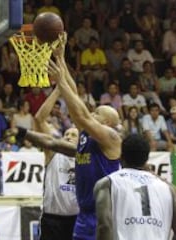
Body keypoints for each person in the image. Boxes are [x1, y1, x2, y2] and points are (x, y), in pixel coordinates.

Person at [49, 35, 121, 240]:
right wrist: (61, 58)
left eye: (97, 113)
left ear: (106, 123)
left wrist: (60, 80)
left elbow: (79, 113)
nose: (92, 114)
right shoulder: (87, 131)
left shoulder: (110, 136)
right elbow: (74, 95)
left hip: (104, 215)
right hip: (84, 213)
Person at [94, 134, 176, 240]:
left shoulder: (108, 183)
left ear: (121, 157)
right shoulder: (166, 188)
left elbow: (104, 226)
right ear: (147, 159)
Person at [23, 86, 80, 240]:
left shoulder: (85, 156)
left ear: (81, 141)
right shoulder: (54, 152)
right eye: (66, 134)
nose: (68, 136)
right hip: (52, 219)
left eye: (73, 135)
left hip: (77, 219)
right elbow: (39, 119)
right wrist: (59, 89)